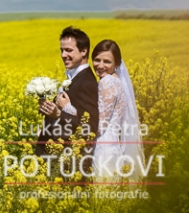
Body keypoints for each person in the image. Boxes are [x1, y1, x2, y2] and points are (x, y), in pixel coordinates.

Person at [58, 39, 144, 181]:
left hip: (101, 148)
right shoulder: (117, 81)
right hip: (112, 145)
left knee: (101, 197)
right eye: (97, 60)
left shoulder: (107, 82)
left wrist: (66, 107)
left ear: (116, 63)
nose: (100, 65)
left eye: (107, 62)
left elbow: (98, 126)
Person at [35, 26, 99, 165]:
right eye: (62, 50)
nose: (63, 55)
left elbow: (90, 127)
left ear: (83, 51)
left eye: (69, 50)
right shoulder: (73, 78)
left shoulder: (86, 82)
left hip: (68, 163)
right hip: (54, 158)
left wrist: (58, 114)